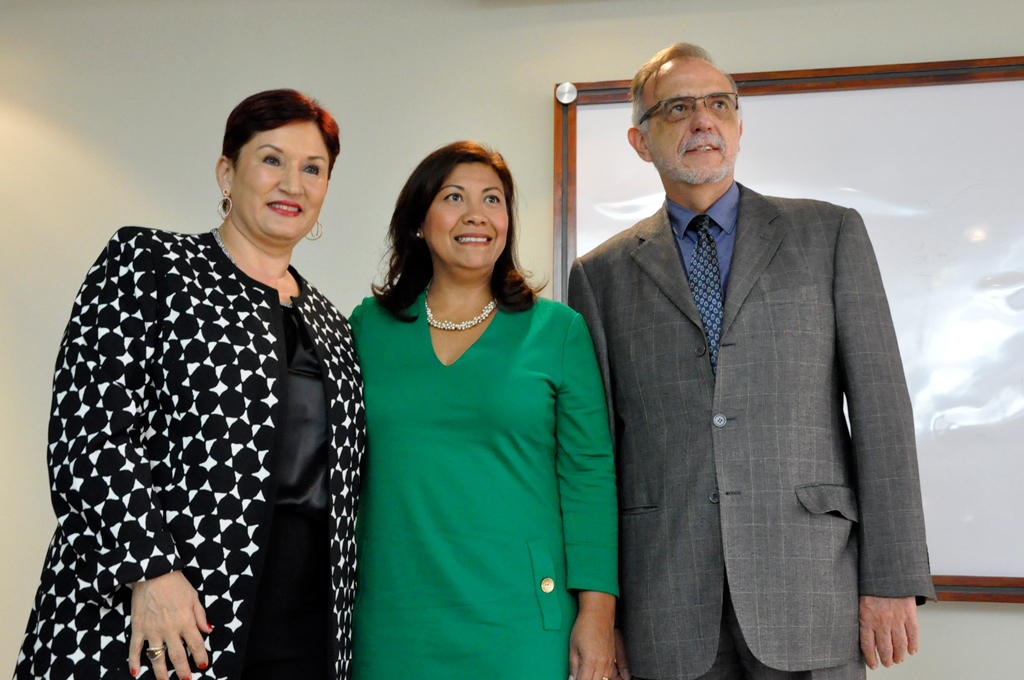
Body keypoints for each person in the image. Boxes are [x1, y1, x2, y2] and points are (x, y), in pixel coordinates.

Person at [568, 43, 935, 680]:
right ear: (640, 140)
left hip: (812, 589)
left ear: (739, 125)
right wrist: (607, 614)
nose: (702, 121)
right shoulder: (599, 276)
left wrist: (893, 577)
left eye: (718, 104)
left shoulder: (829, 234)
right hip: (666, 602)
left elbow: (882, 412)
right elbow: (597, 456)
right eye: (678, 107)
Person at [15, 89, 364, 680]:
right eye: (272, 159)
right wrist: (149, 573)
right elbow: (88, 435)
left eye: (313, 169)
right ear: (227, 171)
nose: (293, 184)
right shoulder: (149, 264)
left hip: (304, 626)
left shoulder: (333, 323)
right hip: (159, 616)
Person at [348, 141, 618, 680]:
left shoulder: (558, 331)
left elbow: (589, 477)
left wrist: (598, 615)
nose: (477, 214)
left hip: (522, 619)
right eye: (454, 197)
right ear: (419, 222)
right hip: (393, 615)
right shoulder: (366, 329)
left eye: (492, 199)